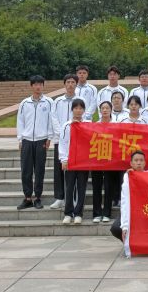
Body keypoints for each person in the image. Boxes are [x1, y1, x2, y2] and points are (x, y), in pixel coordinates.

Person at [16, 75, 54, 210]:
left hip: (41, 140)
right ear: (31, 86)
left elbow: (51, 121)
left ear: (43, 86)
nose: (38, 87)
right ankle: (27, 197)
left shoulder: (49, 102)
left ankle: (37, 197)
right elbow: (20, 121)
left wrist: (49, 137)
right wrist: (20, 139)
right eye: (35, 84)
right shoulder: (24, 103)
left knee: (39, 170)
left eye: (40, 84)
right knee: (25, 170)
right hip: (27, 140)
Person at [110, 150, 148, 256]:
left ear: (145, 163)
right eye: (136, 160)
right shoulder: (128, 178)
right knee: (115, 228)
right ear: (131, 163)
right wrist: (124, 226)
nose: (139, 163)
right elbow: (124, 203)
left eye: (141, 160)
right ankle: (130, 243)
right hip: (131, 212)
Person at [50, 73, 78, 209]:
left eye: (73, 82)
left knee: (74, 170)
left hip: (76, 141)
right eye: (68, 82)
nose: (70, 84)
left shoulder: (79, 100)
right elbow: (54, 118)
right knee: (59, 169)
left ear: (76, 84)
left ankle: (72, 197)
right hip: (60, 139)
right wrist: (61, 132)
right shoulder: (57, 101)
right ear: (64, 84)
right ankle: (59, 197)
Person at [59, 98, 88, 223]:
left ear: (84, 110)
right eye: (76, 108)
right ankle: (68, 213)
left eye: (80, 108)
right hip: (70, 160)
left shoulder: (88, 124)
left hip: (84, 161)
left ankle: (78, 213)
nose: (78, 110)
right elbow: (63, 143)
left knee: (82, 187)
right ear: (72, 110)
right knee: (69, 187)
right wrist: (64, 159)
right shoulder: (67, 125)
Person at [91, 101, 115, 223]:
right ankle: (96, 213)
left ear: (111, 110)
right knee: (96, 186)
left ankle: (106, 213)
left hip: (110, 160)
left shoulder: (116, 125)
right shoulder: (94, 125)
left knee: (108, 187)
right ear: (100, 111)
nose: (105, 110)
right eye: (103, 108)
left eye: (107, 108)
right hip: (97, 160)